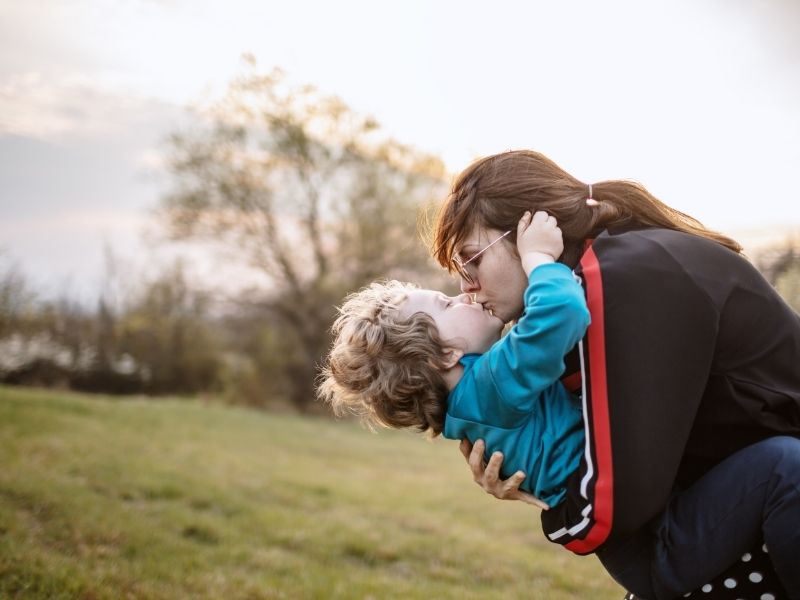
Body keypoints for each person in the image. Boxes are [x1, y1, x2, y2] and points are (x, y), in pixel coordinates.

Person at [430, 149, 800, 598]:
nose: (466, 286)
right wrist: (523, 462)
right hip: (735, 516)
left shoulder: (621, 280)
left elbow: (621, 500)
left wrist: (556, 509)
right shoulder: (608, 268)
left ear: (530, 233)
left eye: (473, 259)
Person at [319, 210, 589, 508]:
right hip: (613, 482)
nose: (463, 295)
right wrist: (538, 257)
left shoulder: (468, 408)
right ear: (446, 355)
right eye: (446, 304)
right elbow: (562, 310)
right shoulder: (492, 385)